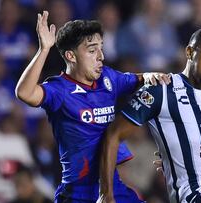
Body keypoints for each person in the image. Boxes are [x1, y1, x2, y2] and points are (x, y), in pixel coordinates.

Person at [15, 11, 170, 202]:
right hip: (77, 191)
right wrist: (44, 50)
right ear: (71, 56)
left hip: (112, 185)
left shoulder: (108, 77)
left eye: (101, 48)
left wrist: (147, 76)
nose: (101, 56)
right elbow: (25, 93)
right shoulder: (60, 89)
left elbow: (135, 78)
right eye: (91, 50)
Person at [98, 28, 201, 203]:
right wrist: (106, 193)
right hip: (195, 195)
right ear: (189, 52)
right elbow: (112, 134)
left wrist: (174, 156)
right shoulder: (162, 89)